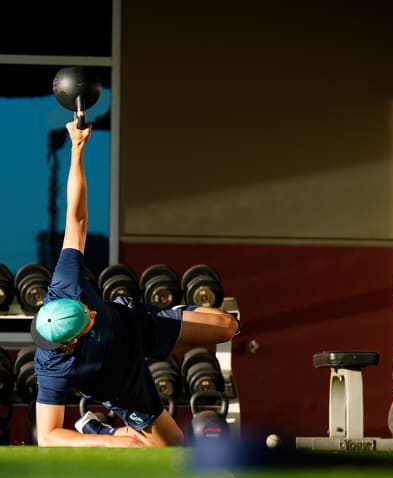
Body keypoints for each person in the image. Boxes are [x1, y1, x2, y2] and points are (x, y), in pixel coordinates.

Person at [31, 120, 239, 447]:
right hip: (121, 384)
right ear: (71, 343)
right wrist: (107, 443)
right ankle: (100, 429)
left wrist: (77, 148)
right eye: (87, 321)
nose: (92, 312)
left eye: (86, 309)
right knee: (169, 446)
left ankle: (173, 321)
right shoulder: (53, 366)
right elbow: (47, 435)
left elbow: (77, 216)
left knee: (227, 327)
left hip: (133, 325)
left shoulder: (66, 284)